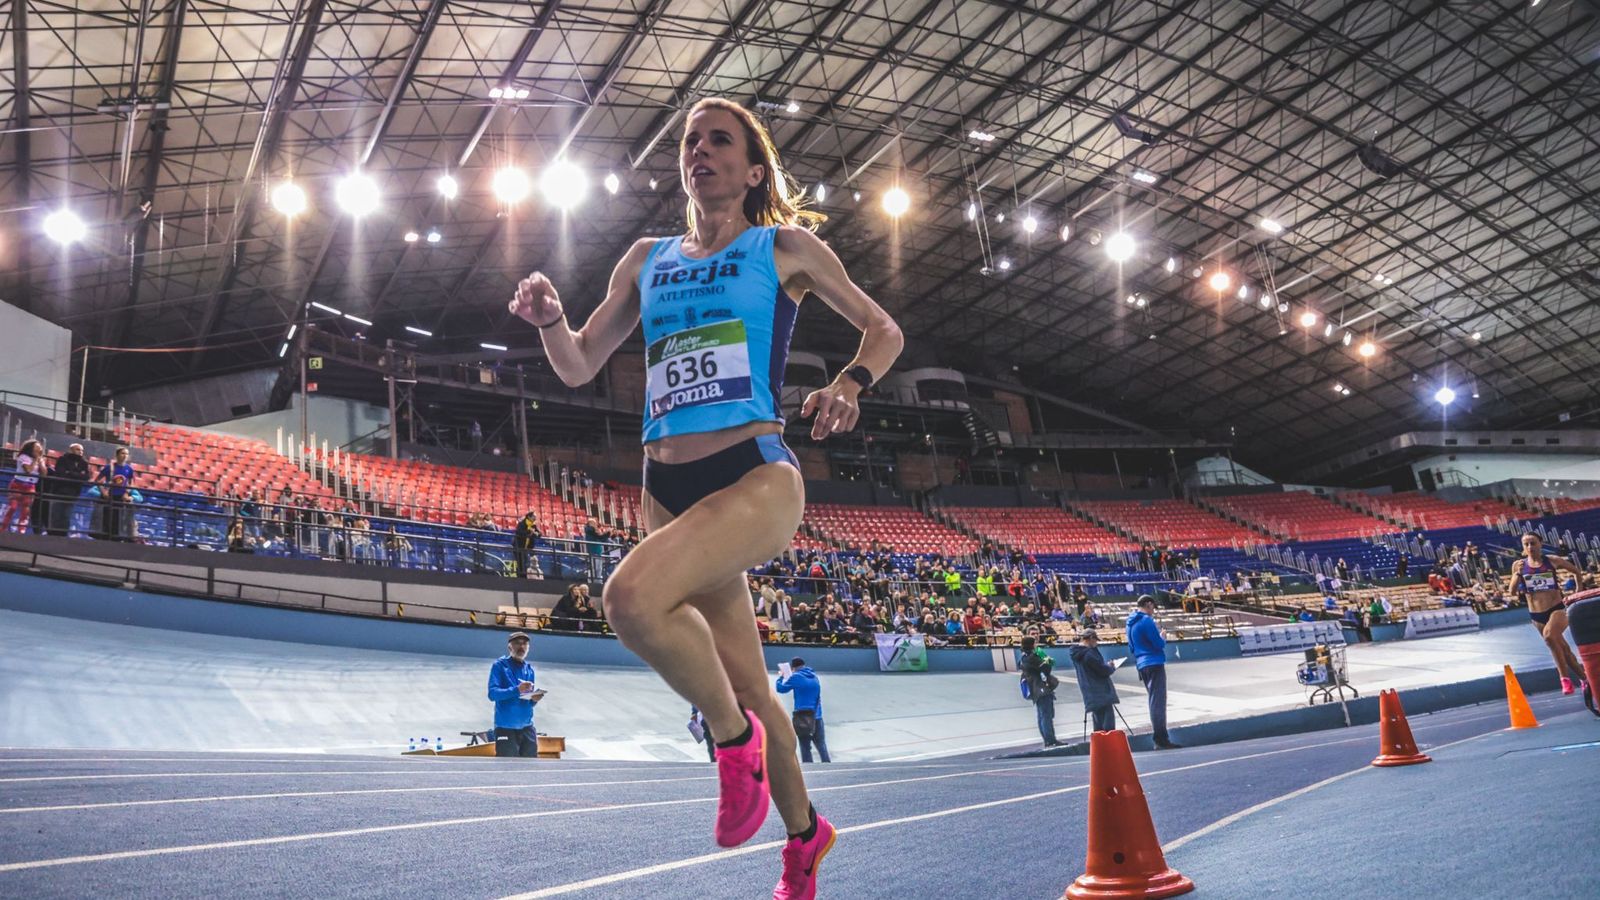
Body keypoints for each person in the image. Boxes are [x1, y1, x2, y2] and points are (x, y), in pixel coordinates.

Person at [509, 96, 901, 898]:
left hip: (755, 471)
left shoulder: (782, 246)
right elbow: (580, 364)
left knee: (628, 600)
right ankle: (804, 839)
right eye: (690, 141)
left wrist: (850, 383)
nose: (700, 151)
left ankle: (731, 743)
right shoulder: (647, 257)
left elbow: (883, 329)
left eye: (719, 140)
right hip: (666, 484)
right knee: (754, 685)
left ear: (753, 169)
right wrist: (550, 321)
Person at [1509, 532, 1588, 694]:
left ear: (1540, 543)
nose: (1530, 547)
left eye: (1533, 543)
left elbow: (1577, 572)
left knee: (1549, 637)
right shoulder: (1518, 565)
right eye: (1526, 544)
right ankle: (1586, 679)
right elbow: (1512, 591)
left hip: (1557, 609)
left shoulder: (1552, 561)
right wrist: (1517, 574)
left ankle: (1564, 679)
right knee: (1563, 649)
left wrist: (1576, 594)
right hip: (1536, 615)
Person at [1126, 595, 1179, 749]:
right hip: (1154, 662)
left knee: (1153, 700)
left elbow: (1131, 647)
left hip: (1141, 664)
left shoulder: (1129, 623)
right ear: (1148, 604)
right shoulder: (1146, 620)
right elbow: (1157, 644)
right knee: (1158, 701)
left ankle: (1160, 738)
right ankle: (1161, 738)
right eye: (1153, 607)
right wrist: (1163, 637)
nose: (1153, 610)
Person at [487, 632, 544, 757]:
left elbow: (526, 702)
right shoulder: (500, 666)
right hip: (505, 727)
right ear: (509, 647)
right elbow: (492, 694)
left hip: (527, 727)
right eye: (517, 643)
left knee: (530, 768)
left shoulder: (529, 669)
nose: (521, 647)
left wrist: (534, 699)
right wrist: (516, 690)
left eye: (524, 644)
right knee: (508, 768)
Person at [776, 657, 829, 763]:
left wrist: (781, 677)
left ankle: (810, 769)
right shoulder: (814, 676)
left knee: (805, 747)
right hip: (817, 716)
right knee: (821, 746)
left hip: (803, 718)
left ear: (793, 667)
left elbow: (780, 688)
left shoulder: (796, 677)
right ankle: (829, 766)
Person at [1069, 629, 1120, 733]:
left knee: (1097, 721)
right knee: (1108, 721)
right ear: (1091, 639)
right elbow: (1102, 670)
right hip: (1101, 690)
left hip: (1089, 690)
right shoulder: (1089, 654)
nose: (1096, 643)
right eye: (1095, 640)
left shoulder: (1077, 653)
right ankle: (1109, 744)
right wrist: (1111, 667)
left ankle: (1100, 746)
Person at [1018, 636, 1060, 747]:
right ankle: (1050, 740)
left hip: (1034, 688)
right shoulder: (1033, 657)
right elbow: (1047, 667)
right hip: (1040, 687)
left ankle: (1048, 739)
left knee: (1042, 714)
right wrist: (1045, 659)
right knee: (1046, 714)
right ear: (1032, 645)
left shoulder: (1023, 657)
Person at [46, 443, 92, 536]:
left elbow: (86, 477)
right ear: (71, 450)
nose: (80, 452)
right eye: (78, 450)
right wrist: (78, 475)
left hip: (74, 492)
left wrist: (70, 473)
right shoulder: (62, 459)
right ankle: (52, 534)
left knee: (66, 515)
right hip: (59, 490)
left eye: (82, 450)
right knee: (56, 514)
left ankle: (63, 535)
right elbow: (61, 473)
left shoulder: (84, 463)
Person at [1, 439, 45, 532]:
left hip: (30, 486)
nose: (39, 449)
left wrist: (41, 462)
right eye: (37, 447)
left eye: (40, 448)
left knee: (26, 510)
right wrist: (35, 460)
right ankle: (2, 528)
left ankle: (21, 530)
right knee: (13, 507)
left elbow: (44, 474)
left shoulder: (40, 459)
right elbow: (28, 470)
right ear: (31, 448)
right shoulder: (23, 456)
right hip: (18, 484)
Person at [93, 446, 135, 541]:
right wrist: (103, 491)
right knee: (106, 518)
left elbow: (131, 482)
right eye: (122, 453)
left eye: (126, 454)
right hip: (109, 496)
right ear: (117, 455)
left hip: (120, 497)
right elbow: (97, 480)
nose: (125, 456)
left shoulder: (129, 469)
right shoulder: (109, 467)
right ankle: (104, 539)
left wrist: (127, 493)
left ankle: (115, 539)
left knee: (118, 519)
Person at [513, 510, 542, 579]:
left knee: (525, 563)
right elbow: (519, 533)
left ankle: (524, 577)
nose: (535, 518)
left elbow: (539, 534)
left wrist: (537, 534)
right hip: (519, 546)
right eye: (533, 517)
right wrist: (529, 532)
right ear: (529, 517)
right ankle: (520, 577)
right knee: (520, 563)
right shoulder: (522, 523)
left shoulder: (533, 525)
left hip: (527, 547)